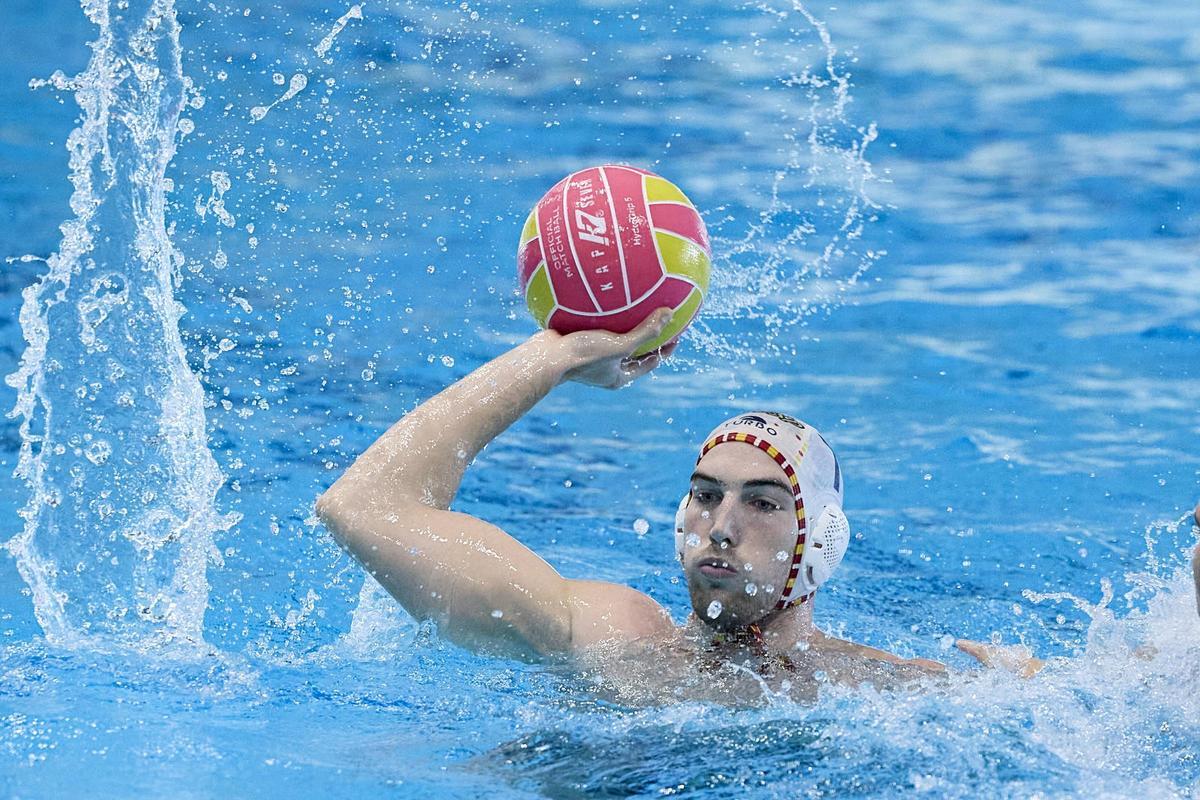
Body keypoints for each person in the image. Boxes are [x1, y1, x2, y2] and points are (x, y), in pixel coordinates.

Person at [316, 309, 953, 704]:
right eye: (705, 496)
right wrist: (555, 356)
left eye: (762, 503)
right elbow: (363, 505)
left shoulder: (892, 690)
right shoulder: (611, 641)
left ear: (822, 540)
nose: (721, 529)